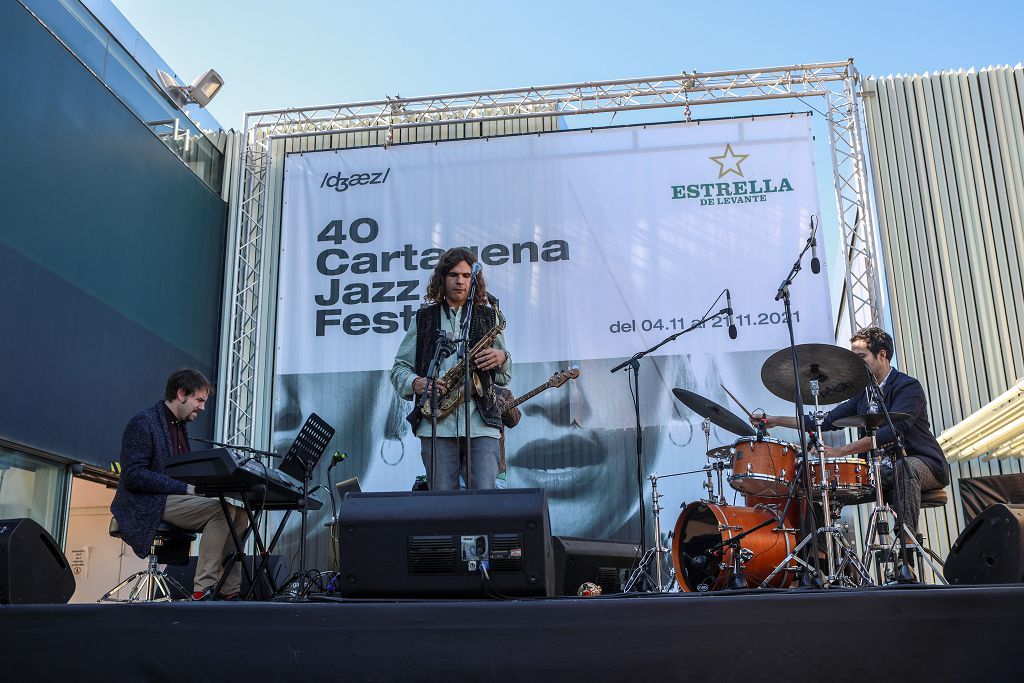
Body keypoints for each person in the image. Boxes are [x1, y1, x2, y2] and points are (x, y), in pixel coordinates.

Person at [757, 327, 949, 539]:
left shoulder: (908, 387)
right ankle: (823, 554)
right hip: (877, 472)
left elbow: (893, 432)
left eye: (861, 357)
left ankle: (906, 549)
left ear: (882, 355)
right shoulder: (862, 394)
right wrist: (773, 420)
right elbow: (824, 421)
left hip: (923, 463)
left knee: (905, 467)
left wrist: (842, 451)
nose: (856, 363)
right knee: (817, 486)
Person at [110, 369, 248, 600]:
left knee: (241, 515)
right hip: (145, 502)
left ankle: (230, 591)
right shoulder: (144, 423)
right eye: (199, 400)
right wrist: (186, 488)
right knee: (221, 511)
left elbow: (183, 475)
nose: (203, 408)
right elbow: (134, 476)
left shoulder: (179, 427)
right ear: (181, 393)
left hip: (170, 498)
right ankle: (203, 589)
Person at [390, 247, 512, 490]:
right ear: (442, 278)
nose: (460, 281)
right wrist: (417, 383)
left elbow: (505, 376)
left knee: (485, 503)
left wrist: (502, 357)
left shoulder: (489, 317)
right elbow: (399, 369)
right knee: (442, 508)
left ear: (474, 281)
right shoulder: (423, 318)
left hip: (481, 423)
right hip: (436, 424)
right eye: (454, 275)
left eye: (467, 276)